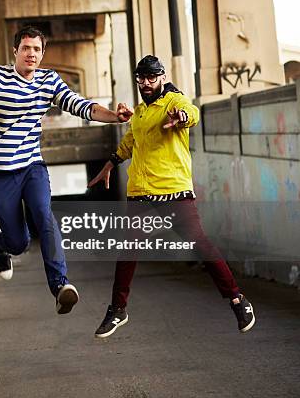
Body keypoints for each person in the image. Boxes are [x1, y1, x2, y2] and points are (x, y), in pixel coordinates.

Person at [0, 26, 133, 314]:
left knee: (45, 216)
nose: (31, 54)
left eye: (37, 49)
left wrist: (114, 118)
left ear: (42, 54)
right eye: (26, 48)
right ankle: (1, 243)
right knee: (18, 243)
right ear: (15, 51)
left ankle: (60, 285)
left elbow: (80, 106)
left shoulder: (49, 80)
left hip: (32, 165)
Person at [89, 55, 256, 337]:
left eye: (151, 78)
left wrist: (181, 118)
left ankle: (239, 300)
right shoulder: (141, 112)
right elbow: (131, 141)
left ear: (162, 77)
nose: (145, 83)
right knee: (127, 251)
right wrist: (109, 164)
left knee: (202, 246)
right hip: (141, 193)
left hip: (173, 191)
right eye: (141, 78)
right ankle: (118, 310)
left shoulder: (174, 102)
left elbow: (192, 113)